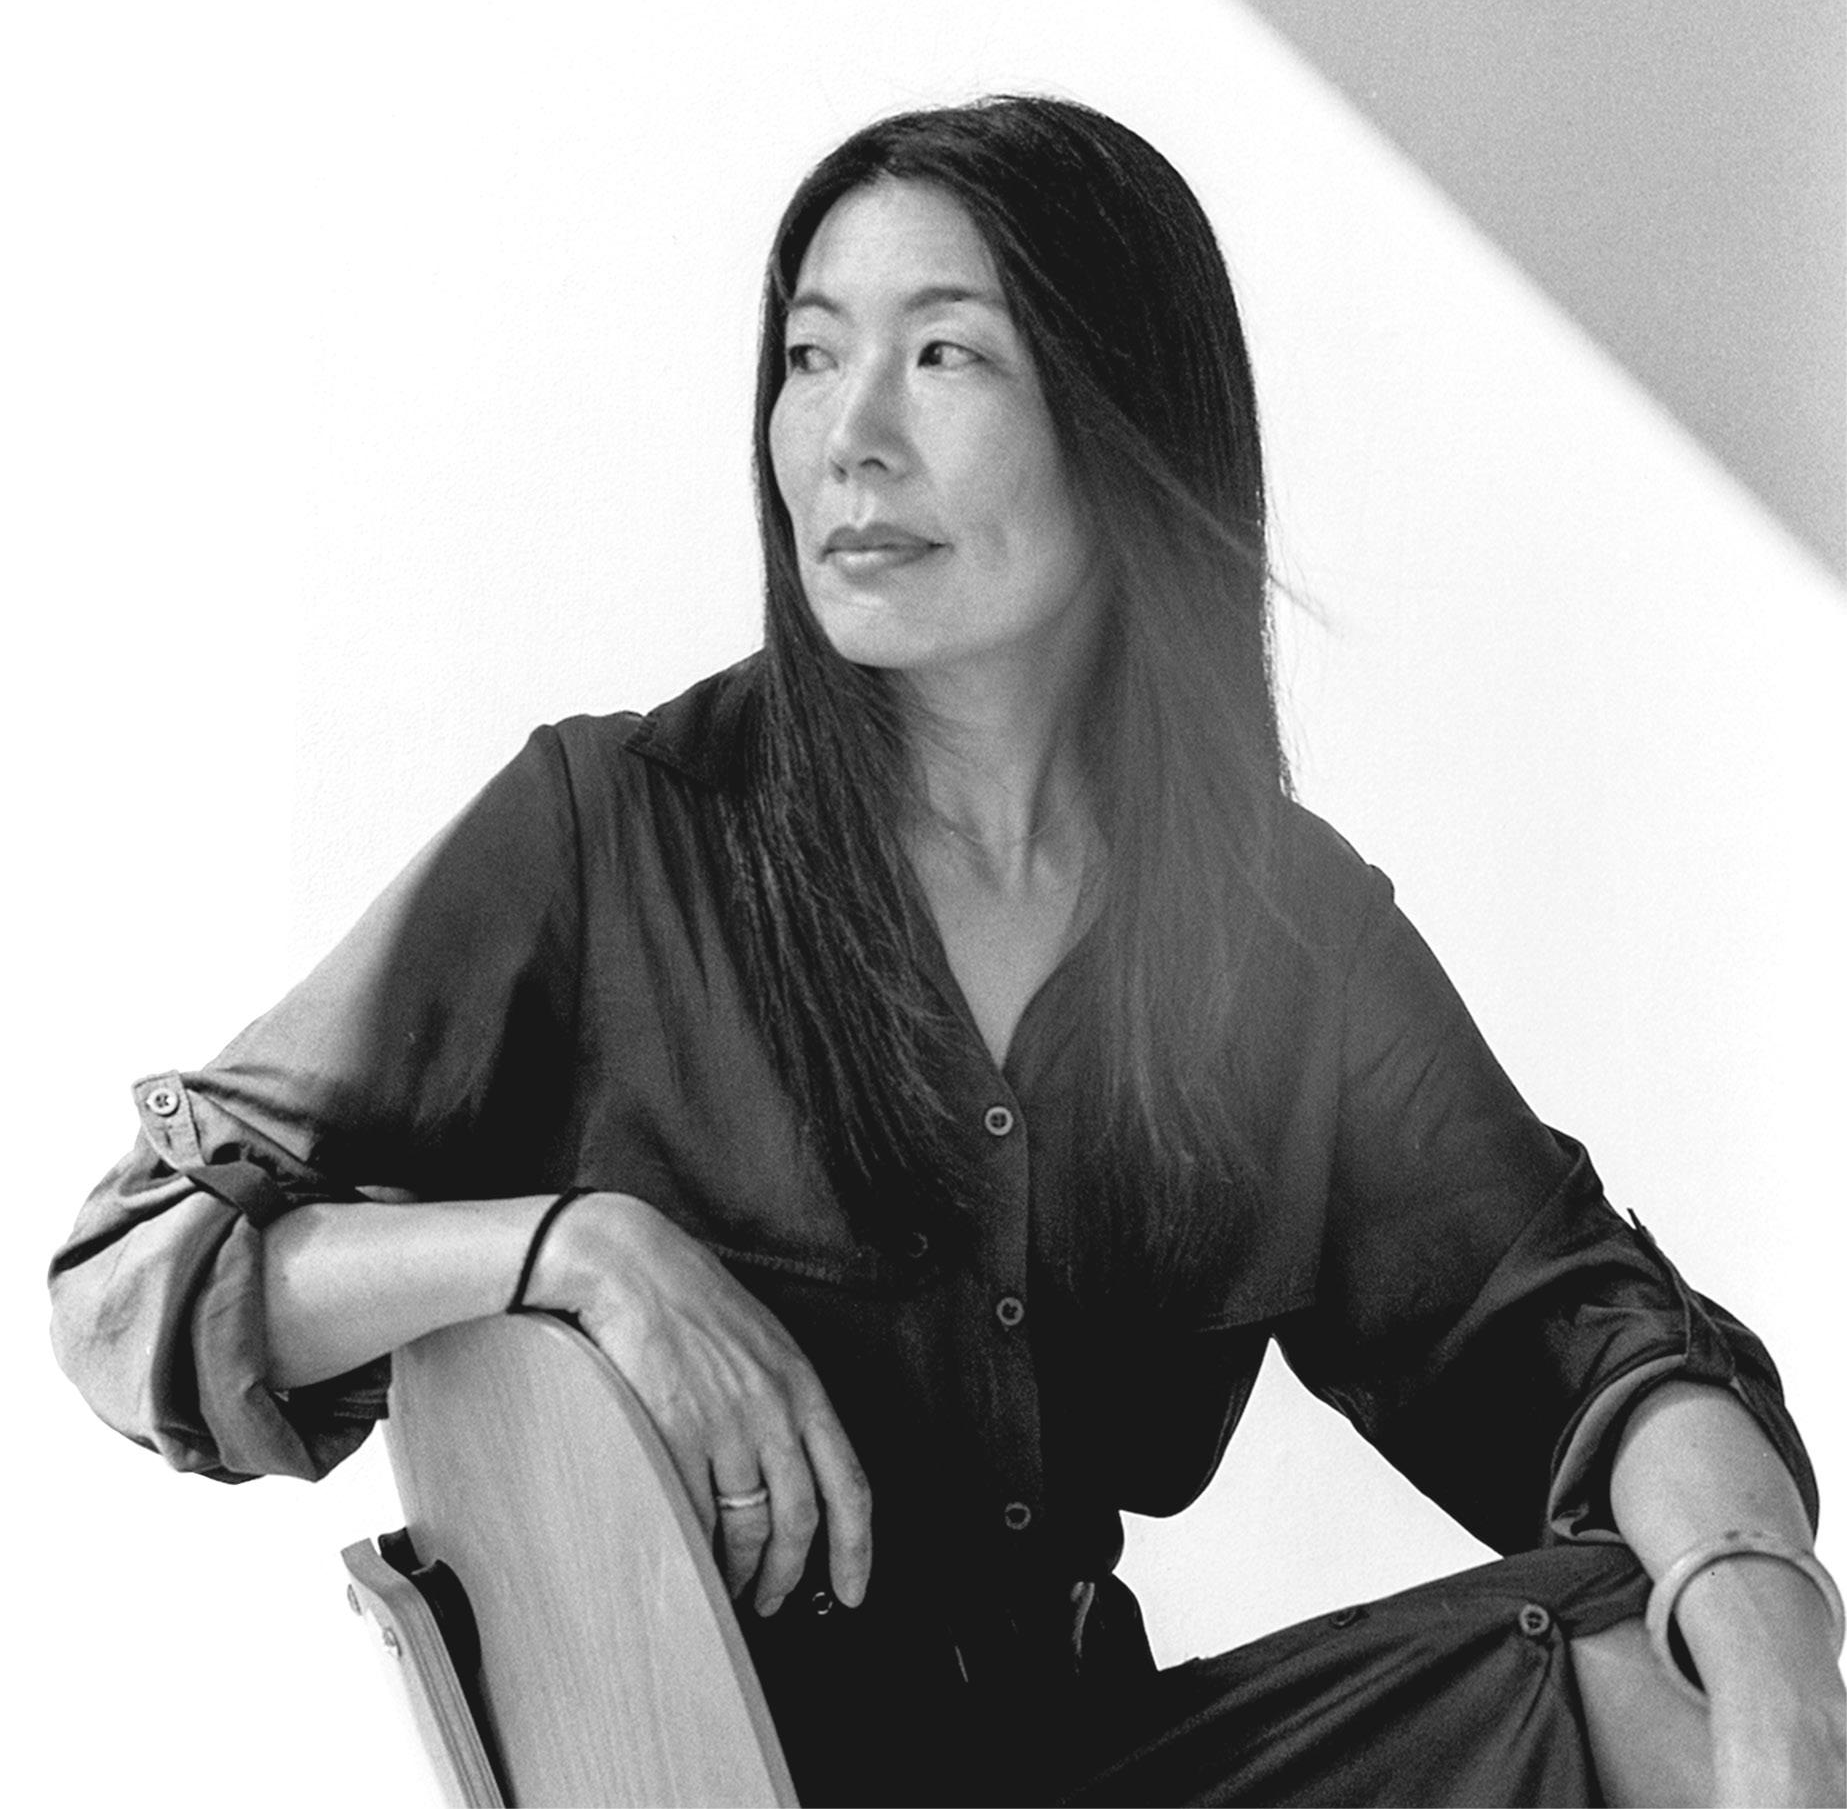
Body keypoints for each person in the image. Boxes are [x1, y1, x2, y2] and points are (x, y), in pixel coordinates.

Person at [51, 97, 1843, 1806]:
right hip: (717, 1779)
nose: (849, 434)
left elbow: (1577, 1336)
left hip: (1092, 1764)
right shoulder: (610, 834)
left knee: (1642, 1653)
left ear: (1123, 415)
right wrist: (578, 1249)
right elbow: (134, 1278)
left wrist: (1770, 1640)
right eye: (810, 352)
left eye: (945, 353)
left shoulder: (1275, 934)